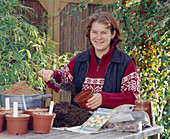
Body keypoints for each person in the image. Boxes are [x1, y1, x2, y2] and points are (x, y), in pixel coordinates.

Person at [38, 11, 140, 110]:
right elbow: (61, 77)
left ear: (113, 34)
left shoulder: (125, 63)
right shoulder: (79, 60)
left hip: (113, 125)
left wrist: (104, 99)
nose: (98, 37)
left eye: (104, 32)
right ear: (89, 33)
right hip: (78, 123)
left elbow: (133, 98)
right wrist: (51, 74)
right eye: (94, 32)